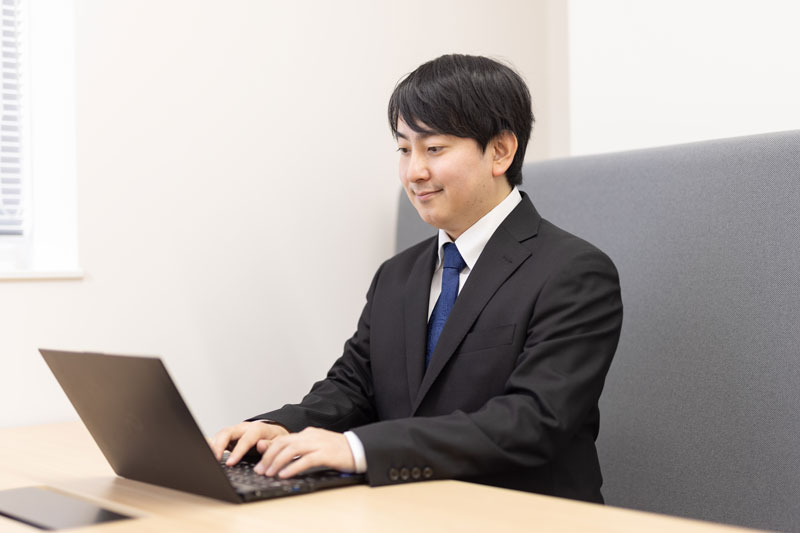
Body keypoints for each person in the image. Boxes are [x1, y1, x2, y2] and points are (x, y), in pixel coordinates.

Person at [210, 54, 623, 503]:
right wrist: (279, 427)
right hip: (408, 509)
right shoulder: (397, 275)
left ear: (501, 151)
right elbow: (353, 386)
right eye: (405, 149)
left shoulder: (574, 272)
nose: (414, 172)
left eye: (434, 149)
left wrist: (359, 448)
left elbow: (532, 420)